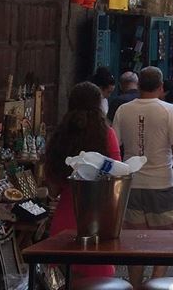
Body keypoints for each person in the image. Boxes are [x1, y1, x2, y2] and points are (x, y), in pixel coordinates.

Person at [112, 66, 173, 288]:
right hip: (161, 185)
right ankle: (155, 284)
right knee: (165, 242)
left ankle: (136, 285)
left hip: (131, 185)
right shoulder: (168, 110)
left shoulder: (123, 110)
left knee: (135, 243)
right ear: (161, 86)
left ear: (139, 86)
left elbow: (115, 146)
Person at [45, 82, 121, 284]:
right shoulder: (107, 135)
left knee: (64, 282)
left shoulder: (60, 136)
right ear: (98, 105)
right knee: (97, 284)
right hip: (97, 221)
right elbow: (117, 175)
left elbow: (52, 188)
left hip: (64, 220)